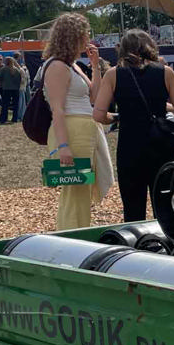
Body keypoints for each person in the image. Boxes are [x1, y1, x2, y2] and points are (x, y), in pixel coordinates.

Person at [92, 28, 174, 222]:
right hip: (161, 145)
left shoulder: (113, 74)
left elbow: (98, 114)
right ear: (150, 47)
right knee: (164, 206)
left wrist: (117, 118)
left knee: (132, 207)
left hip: (130, 145)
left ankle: (137, 246)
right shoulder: (166, 72)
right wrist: (163, 108)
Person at [42, 13, 114, 230]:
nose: (88, 38)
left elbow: (94, 97)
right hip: (72, 132)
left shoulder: (72, 65)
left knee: (80, 189)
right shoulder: (57, 66)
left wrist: (95, 67)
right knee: (75, 190)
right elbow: (57, 109)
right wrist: (64, 146)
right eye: (86, 33)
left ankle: (75, 232)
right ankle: (71, 235)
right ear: (74, 35)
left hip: (85, 130)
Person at [0, 56, 23, 123]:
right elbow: (19, 80)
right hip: (15, 89)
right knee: (15, 104)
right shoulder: (17, 70)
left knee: (5, 104)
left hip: (6, 88)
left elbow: (0, 78)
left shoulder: (3, 69)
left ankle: (3, 119)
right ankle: (14, 119)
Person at [14, 52, 31, 120]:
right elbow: (22, 78)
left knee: (24, 101)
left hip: (24, 85)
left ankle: (24, 114)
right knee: (21, 101)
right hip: (21, 86)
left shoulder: (22, 66)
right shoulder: (18, 67)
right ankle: (21, 115)